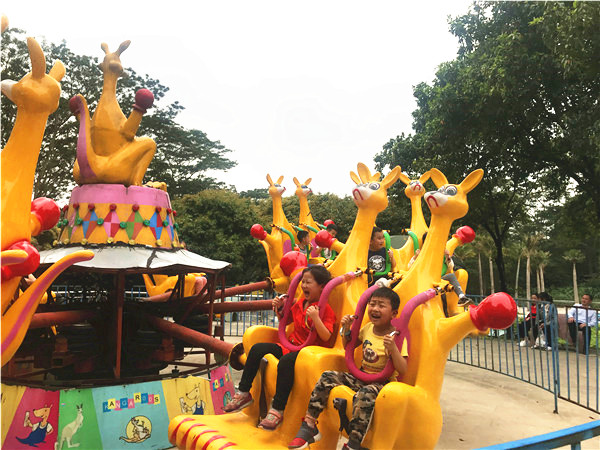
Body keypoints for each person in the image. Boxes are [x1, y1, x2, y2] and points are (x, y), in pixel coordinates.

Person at [288, 287, 408, 450]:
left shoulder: (397, 337)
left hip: (382, 384)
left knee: (365, 394)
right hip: (361, 376)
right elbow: (348, 346)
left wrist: (393, 349)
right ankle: (309, 424)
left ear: (393, 314)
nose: (375, 309)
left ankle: (353, 443)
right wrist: (346, 328)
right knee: (327, 376)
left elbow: (403, 368)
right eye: (372, 304)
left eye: (381, 305)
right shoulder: (368, 328)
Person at [223, 265, 336, 430]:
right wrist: (279, 307)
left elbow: (326, 336)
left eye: (308, 282)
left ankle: (277, 409)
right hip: (291, 346)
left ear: (322, 287)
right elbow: (286, 320)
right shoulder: (301, 303)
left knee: (286, 362)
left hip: (308, 353)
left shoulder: (325, 309)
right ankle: (243, 392)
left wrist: (316, 318)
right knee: (257, 349)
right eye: (303, 282)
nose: (304, 285)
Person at [407, 232, 472, 308]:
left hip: (437, 280)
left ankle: (461, 297)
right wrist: (415, 257)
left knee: (451, 276)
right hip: (424, 281)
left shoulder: (440, 253)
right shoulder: (421, 253)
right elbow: (410, 267)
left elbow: (450, 267)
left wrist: (447, 256)